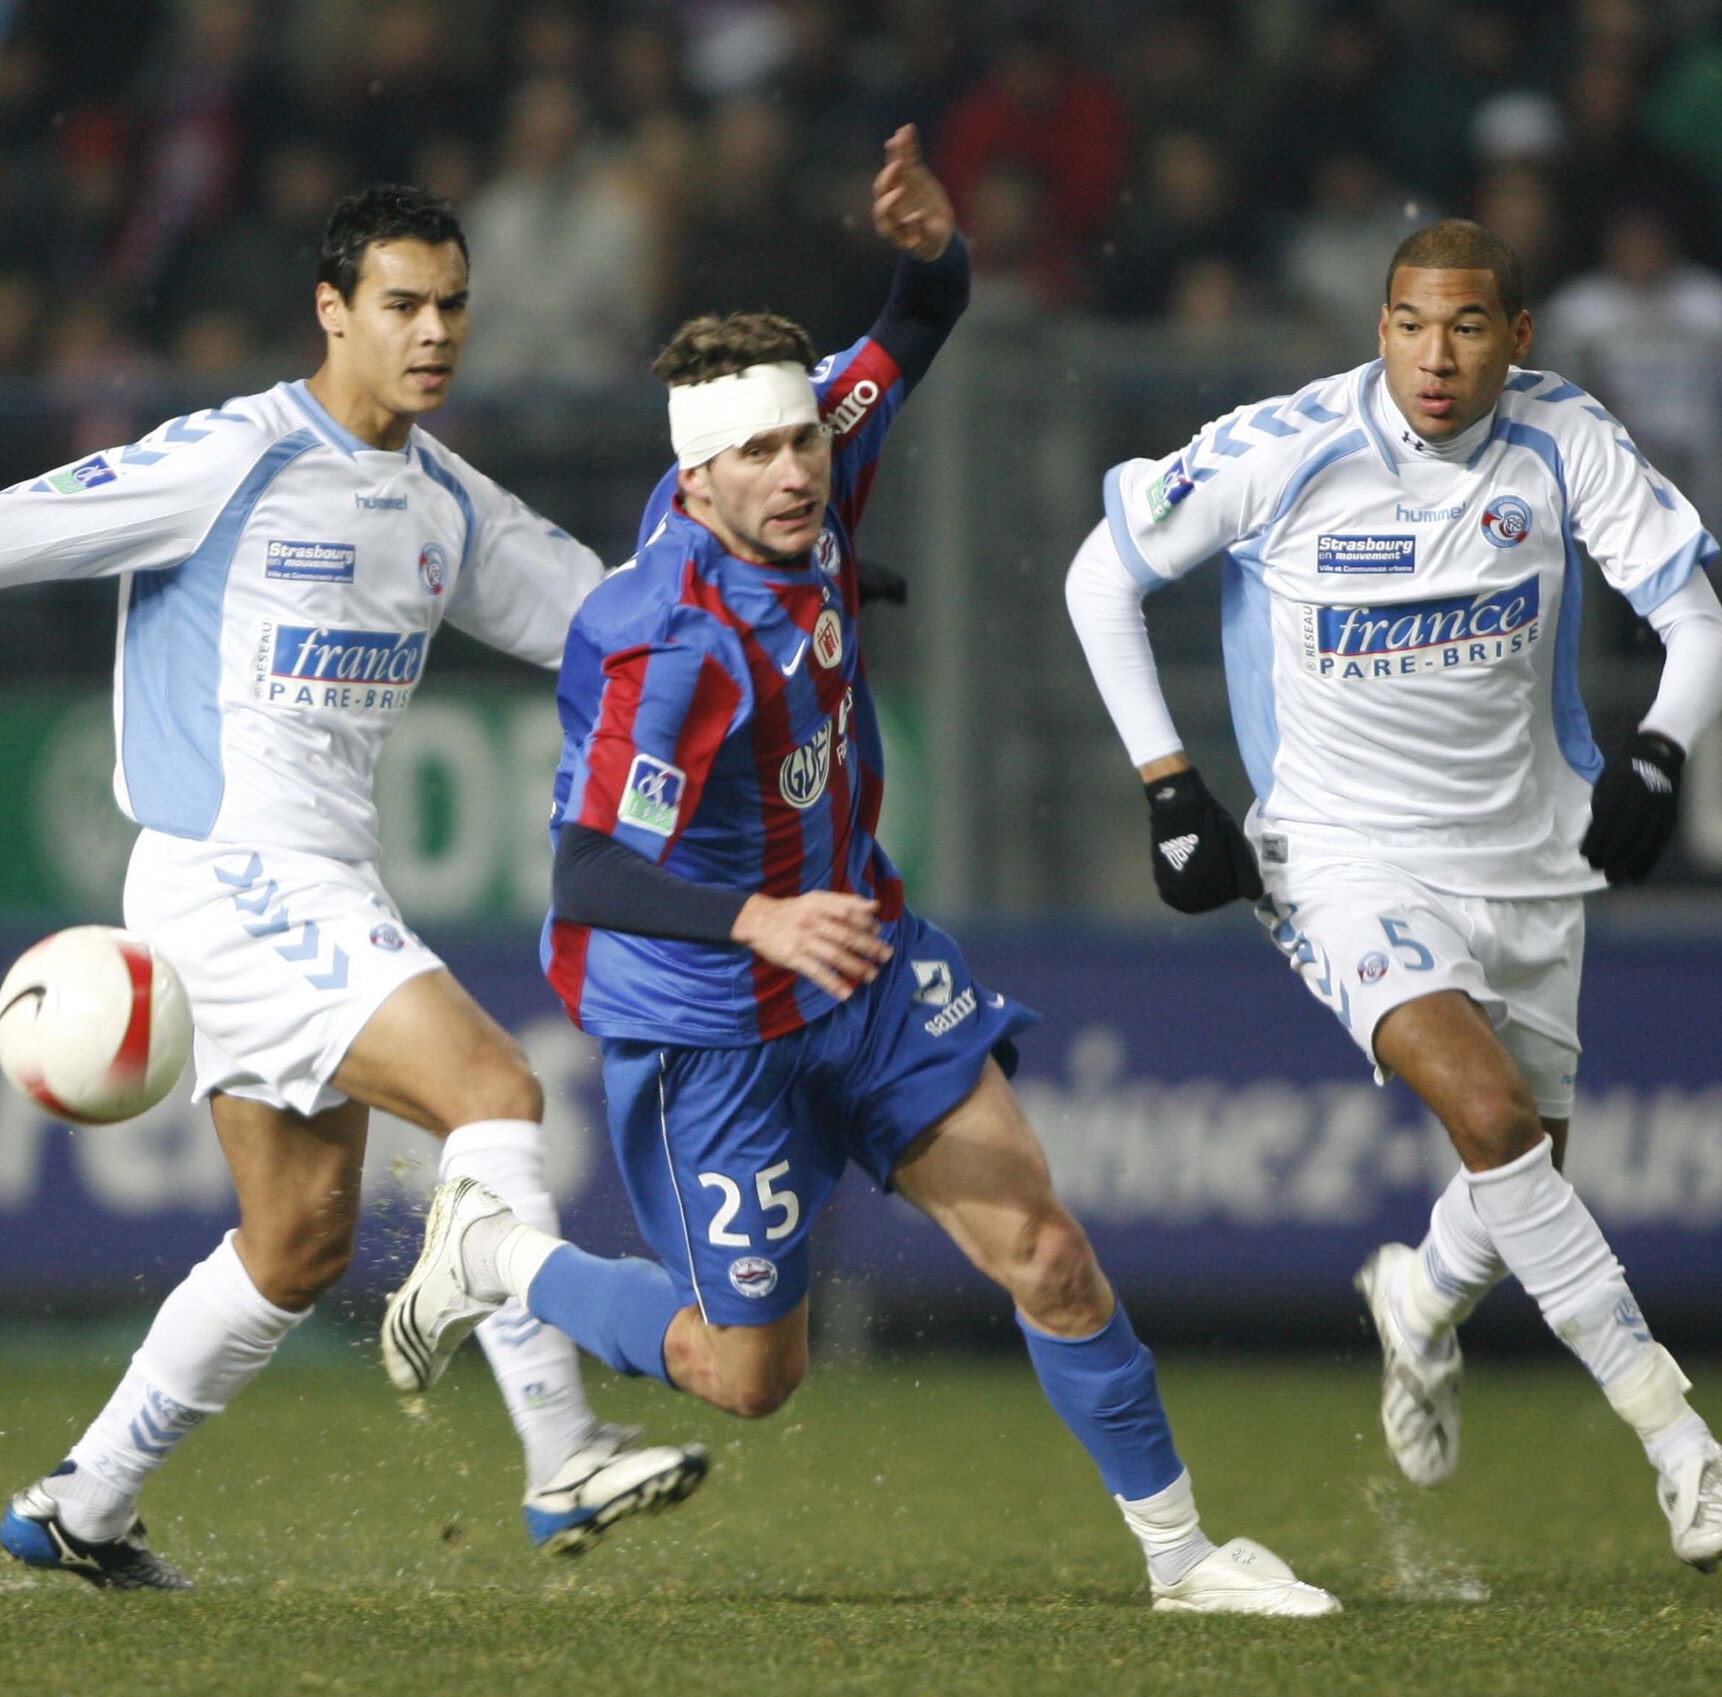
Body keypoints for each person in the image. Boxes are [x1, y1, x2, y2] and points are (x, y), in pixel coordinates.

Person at [0, 185, 707, 1588]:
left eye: (453, 306)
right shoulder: (234, 456)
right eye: (402, 304)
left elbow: (612, 620)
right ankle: (561, 1452)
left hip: (319, 879)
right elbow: (21, 524)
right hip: (228, 873)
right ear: (331, 310)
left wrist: (772, 595)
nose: (435, 332)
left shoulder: (445, 503)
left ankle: (82, 1504)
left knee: (299, 1238)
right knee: (494, 1094)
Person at [381, 129, 1338, 1619]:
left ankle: (1183, 1559)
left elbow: (923, 315)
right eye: (759, 457)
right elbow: (585, 871)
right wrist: (756, 915)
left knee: (1048, 1253)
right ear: (695, 477)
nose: (795, 473)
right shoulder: (662, 646)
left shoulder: (811, 446)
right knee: (750, 1376)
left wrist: (929, 243)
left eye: (805, 444)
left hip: (862, 961)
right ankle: (500, 1256)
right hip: (711, 1022)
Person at [1059, 219, 1722, 1571]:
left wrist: (1660, 756)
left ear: (1518, 338)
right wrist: (1170, 786)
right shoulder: (1287, 447)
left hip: (1532, 857)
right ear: (1379, 328)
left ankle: (1420, 1298)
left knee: (1523, 1163)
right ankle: (1680, 1441)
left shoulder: (1565, 439)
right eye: (1411, 326)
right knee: (1493, 1118)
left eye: (1469, 328)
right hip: (1342, 858)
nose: (1436, 358)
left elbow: (1702, 631)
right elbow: (1102, 576)